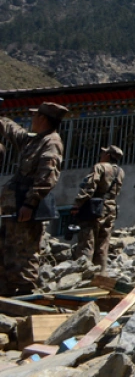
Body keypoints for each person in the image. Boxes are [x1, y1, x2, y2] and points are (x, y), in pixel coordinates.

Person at [0, 102, 66, 296]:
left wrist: (31, 203)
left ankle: (25, 294)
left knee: (24, 252)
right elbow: (15, 132)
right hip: (14, 206)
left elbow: (47, 176)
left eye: (35, 116)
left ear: (43, 119)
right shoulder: (35, 140)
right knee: (6, 250)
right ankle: (6, 295)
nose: (32, 120)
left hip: (26, 206)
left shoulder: (51, 142)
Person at [72, 144, 125, 272]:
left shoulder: (99, 167)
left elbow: (89, 187)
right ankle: (101, 274)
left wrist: (77, 204)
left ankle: (83, 274)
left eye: (103, 153)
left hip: (95, 208)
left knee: (87, 241)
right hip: (111, 208)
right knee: (103, 244)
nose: (101, 155)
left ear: (107, 155)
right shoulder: (120, 172)